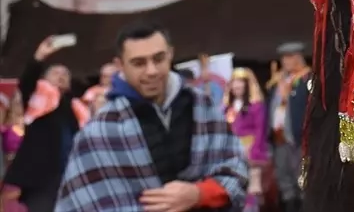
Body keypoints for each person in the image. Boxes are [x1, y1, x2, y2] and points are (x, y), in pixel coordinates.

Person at [56, 22, 248, 212]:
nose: (151, 71)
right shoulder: (100, 130)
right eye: (139, 63)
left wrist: (198, 194)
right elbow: (79, 203)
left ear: (170, 54)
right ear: (120, 65)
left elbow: (235, 169)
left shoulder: (201, 105)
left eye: (158, 59)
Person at [5, 36, 88, 212]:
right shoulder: (37, 99)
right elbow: (27, 81)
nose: (61, 76)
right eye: (56, 72)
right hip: (41, 177)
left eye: (65, 74)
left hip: (70, 174)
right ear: (45, 78)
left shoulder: (76, 107)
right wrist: (39, 57)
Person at [264, 42, 309, 212]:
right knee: (284, 178)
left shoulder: (307, 79)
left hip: (298, 138)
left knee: (302, 179)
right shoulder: (278, 81)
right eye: (283, 58)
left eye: (289, 57)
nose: (285, 61)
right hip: (279, 137)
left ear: (298, 57)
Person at [224, 68, 267, 210]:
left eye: (240, 82)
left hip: (250, 150)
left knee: (252, 188)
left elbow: (260, 130)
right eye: (234, 82)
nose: (236, 85)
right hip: (231, 152)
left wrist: (256, 152)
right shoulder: (227, 107)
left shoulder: (256, 105)